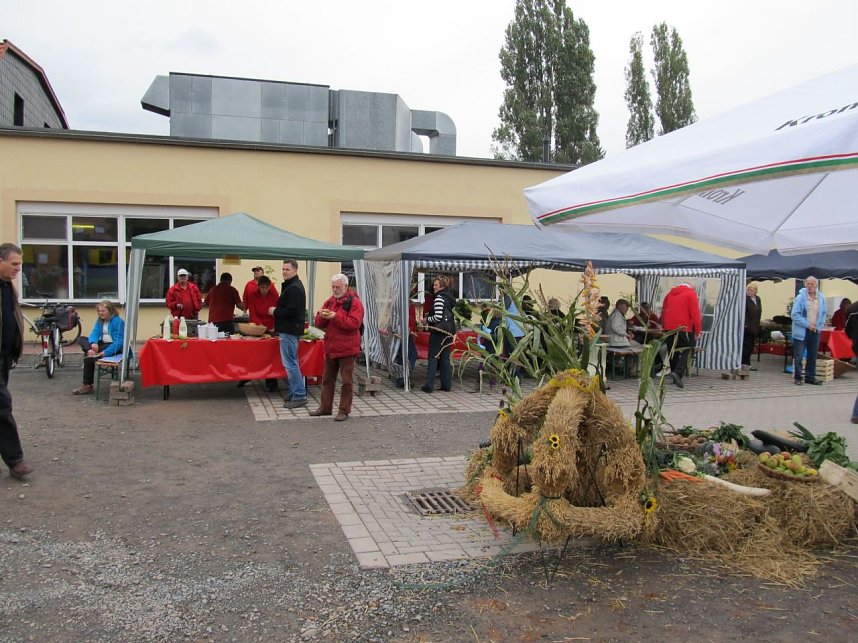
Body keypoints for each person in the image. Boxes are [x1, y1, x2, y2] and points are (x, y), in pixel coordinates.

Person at [309, 274, 365, 421]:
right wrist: (322, 316)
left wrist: (335, 316)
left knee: (347, 381)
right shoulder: (330, 301)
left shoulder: (355, 302)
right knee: (327, 379)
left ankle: (344, 410)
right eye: (333, 287)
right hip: (331, 347)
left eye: (337, 287)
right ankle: (325, 407)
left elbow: (354, 324)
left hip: (347, 348)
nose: (334, 289)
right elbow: (319, 323)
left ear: (345, 287)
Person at [0, 243, 33, 479]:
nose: (18, 268)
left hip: (4, 358)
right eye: (14, 263)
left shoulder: (8, 288)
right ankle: (15, 460)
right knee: (3, 405)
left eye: (19, 264)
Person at [271, 259, 308, 408]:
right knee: (292, 363)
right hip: (290, 330)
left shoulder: (294, 288)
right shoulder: (292, 286)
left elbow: (291, 311)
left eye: (287, 269)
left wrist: (275, 311)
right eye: (283, 269)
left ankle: (299, 395)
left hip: (289, 330)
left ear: (295, 270)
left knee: (291, 364)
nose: (284, 272)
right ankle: (294, 392)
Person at [237, 275, 280, 392]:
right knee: (254, 354)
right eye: (262, 287)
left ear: (270, 287)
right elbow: (253, 313)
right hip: (257, 327)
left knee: (270, 355)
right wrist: (261, 326)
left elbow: (278, 312)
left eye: (266, 288)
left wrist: (273, 327)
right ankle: (247, 376)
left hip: (272, 327)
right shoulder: (252, 295)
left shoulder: (274, 295)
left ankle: (271, 381)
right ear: (259, 287)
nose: (264, 290)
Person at [72, 300, 125, 396]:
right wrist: (93, 343)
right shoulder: (100, 320)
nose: (100, 313)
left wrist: (104, 353)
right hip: (101, 344)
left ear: (110, 310)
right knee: (81, 339)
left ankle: (87, 385)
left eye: (103, 311)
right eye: (99, 311)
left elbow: (119, 342)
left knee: (88, 359)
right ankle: (91, 352)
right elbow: (95, 332)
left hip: (113, 346)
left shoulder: (118, 321)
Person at [658, 282, 702, 389]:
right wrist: (698, 330)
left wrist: (664, 326)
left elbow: (663, 311)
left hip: (669, 327)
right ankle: (678, 373)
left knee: (673, 351)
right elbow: (695, 313)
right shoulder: (691, 294)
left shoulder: (669, 295)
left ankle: (674, 372)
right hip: (684, 327)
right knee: (689, 348)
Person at [421, 275, 456, 393]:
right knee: (445, 358)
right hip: (449, 331)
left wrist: (427, 320)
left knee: (433, 357)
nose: (434, 287)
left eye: (436, 285)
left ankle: (429, 386)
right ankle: (446, 385)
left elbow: (437, 317)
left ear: (442, 286)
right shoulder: (449, 297)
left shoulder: (439, 298)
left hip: (438, 332)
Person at [791, 275, 827, 386]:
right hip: (802, 331)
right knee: (799, 355)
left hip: (815, 330)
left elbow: (824, 312)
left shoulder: (821, 297)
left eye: (812, 284)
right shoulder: (800, 297)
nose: (810, 286)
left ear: (816, 285)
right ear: (805, 284)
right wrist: (807, 325)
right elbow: (794, 314)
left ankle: (810, 377)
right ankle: (798, 377)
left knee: (812, 354)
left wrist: (819, 325)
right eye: (808, 283)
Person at [742, 283, 762, 370]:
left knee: (751, 346)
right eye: (748, 290)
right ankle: (745, 364)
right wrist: (746, 324)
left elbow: (759, 311)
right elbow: (744, 312)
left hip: (755, 325)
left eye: (751, 290)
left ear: (755, 291)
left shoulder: (757, 299)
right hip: (747, 326)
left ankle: (747, 364)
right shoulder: (745, 299)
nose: (749, 292)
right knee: (746, 345)